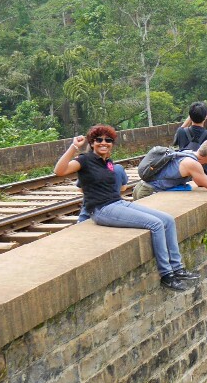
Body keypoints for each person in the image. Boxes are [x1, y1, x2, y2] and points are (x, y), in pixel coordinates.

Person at [55, 124, 199, 292]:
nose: (104, 143)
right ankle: (167, 275)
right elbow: (59, 170)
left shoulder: (107, 162)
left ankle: (178, 268)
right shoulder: (84, 160)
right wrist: (73, 147)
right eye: (99, 140)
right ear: (92, 142)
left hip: (117, 203)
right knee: (156, 224)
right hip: (102, 209)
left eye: (108, 140)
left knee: (167, 219)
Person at [133, 139, 207, 200]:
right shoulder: (192, 164)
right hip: (148, 191)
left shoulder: (189, 153)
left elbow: (201, 182)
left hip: (141, 187)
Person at [175, 102, 207, 176]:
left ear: (190, 116)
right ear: (205, 117)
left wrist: (192, 115)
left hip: (184, 172)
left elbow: (181, 128)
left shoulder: (181, 132)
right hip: (202, 173)